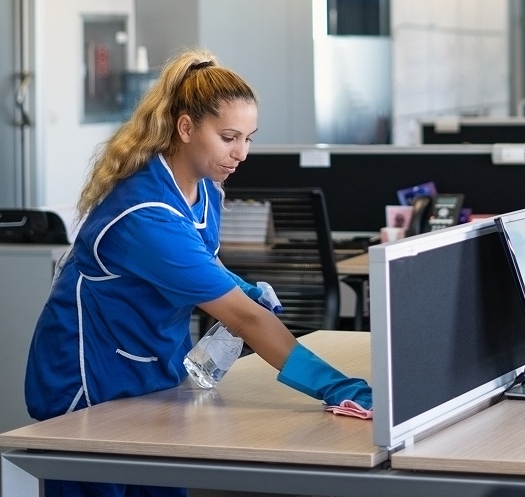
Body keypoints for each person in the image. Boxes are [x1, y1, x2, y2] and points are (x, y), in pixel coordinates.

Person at [25, 49, 372, 497]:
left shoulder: (204, 187)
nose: (241, 153)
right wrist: (339, 388)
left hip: (153, 372)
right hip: (91, 384)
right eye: (229, 137)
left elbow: (199, 259)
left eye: (248, 138)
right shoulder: (145, 215)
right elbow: (245, 319)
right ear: (185, 127)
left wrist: (238, 285)